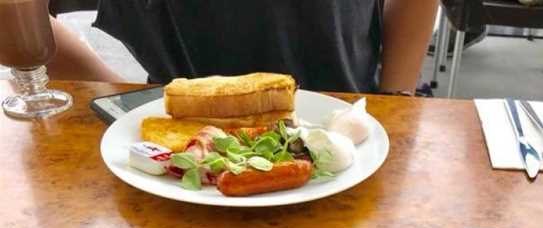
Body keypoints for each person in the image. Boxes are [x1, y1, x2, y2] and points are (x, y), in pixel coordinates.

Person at [48, 0, 439, 95]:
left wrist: (396, 98)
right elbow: (13, 18)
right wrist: (119, 99)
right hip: (178, 159)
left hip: (352, 128)